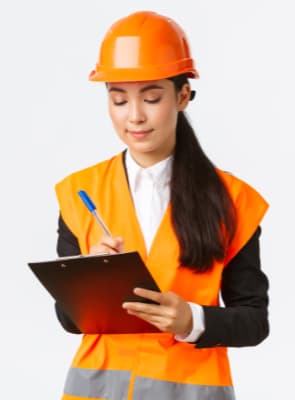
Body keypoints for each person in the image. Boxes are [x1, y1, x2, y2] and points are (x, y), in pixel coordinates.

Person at [54, 10, 269, 400]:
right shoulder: (79, 194)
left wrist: (193, 320)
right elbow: (70, 321)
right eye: (119, 100)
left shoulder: (233, 202)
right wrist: (89, 280)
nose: (134, 116)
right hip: (96, 390)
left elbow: (254, 321)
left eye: (152, 98)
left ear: (183, 95)